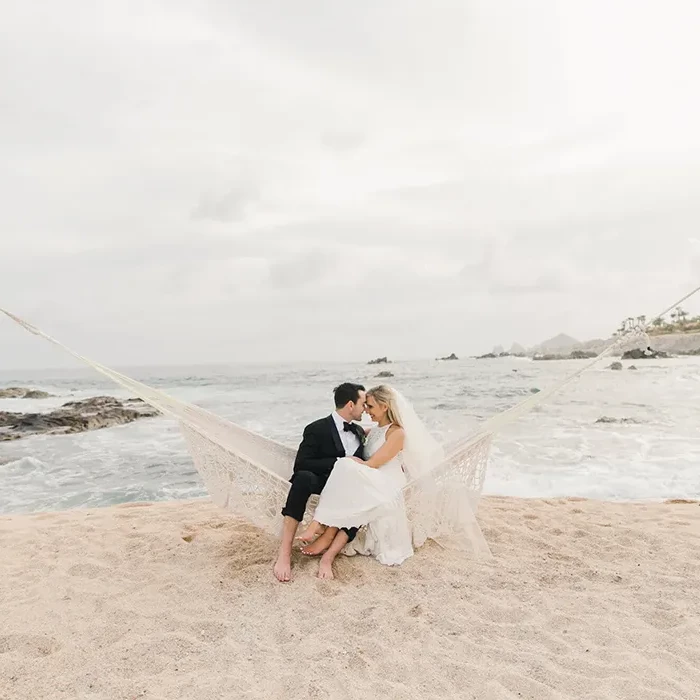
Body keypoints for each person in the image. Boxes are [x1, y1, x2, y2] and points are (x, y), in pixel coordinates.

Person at [302, 385, 436, 579]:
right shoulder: (373, 431)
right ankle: (327, 541)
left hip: (387, 484)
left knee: (344, 467)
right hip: (371, 480)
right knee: (346, 477)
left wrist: (350, 461)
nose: (366, 410)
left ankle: (320, 526)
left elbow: (372, 463)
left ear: (384, 407)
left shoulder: (397, 433)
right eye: (365, 405)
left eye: (370, 406)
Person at [273, 382, 367, 582]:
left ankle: (328, 553)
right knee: (302, 479)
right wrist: (341, 462)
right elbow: (302, 463)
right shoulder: (316, 428)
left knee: (362, 492)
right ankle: (285, 552)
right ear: (351, 405)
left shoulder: (358, 431)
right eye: (363, 404)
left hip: (347, 488)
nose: (365, 409)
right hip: (320, 482)